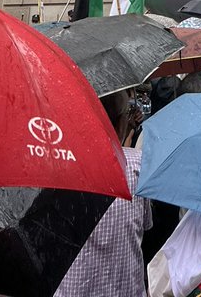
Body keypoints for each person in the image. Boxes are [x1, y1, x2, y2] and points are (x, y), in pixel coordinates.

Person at [55, 89, 152, 297]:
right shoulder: (137, 165)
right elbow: (145, 225)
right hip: (125, 290)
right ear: (120, 122)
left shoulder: (58, 165)